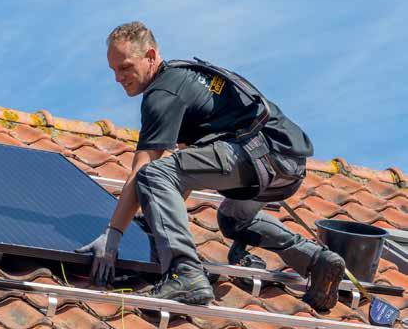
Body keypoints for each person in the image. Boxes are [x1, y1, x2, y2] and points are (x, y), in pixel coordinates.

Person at [77, 21, 345, 310]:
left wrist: (112, 237)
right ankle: (315, 260)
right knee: (232, 219)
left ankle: (185, 273)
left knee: (153, 173)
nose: (119, 77)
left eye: (126, 67)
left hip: (257, 155)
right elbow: (186, 169)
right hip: (287, 162)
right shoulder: (187, 77)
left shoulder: (162, 94)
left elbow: (145, 169)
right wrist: (158, 219)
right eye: (114, 70)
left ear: (151, 56)